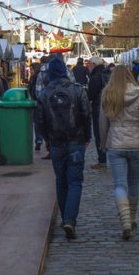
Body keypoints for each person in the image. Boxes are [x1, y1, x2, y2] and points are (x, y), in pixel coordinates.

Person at [34, 53, 91, 240]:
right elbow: (85, 115)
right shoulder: (77, 90)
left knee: (61, 180)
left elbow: (39, 121)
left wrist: (47, 139)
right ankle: (69, 219)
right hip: (76, 140)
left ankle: (65, 217)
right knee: (75, 181)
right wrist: (87, 137)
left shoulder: (43, 94)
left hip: (56, 143)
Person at [99, 64, 139, 240]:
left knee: (120, 184)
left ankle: (125, 222)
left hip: (116, 143)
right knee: (134, 182)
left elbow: (103, 123)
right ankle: (133, 217)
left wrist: (104, 143)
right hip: (136, 143)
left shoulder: (108, 93)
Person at [86, 56, 108, 170]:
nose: (88, 66)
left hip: (98, 109)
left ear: (93, 64)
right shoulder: (107, 74)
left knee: (99, 134)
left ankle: (102, 160)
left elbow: (90, 95)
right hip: (109, 107)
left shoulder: (95, 77)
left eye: (89, 64)